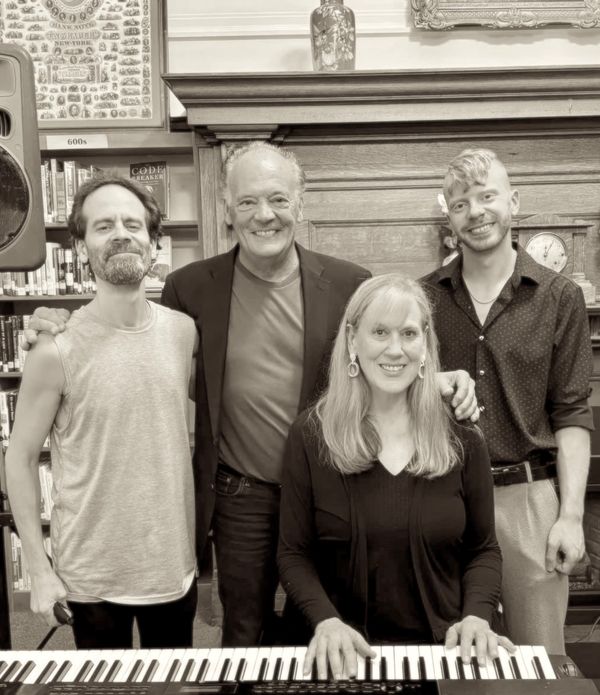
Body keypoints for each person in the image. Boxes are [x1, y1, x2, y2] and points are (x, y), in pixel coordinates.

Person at [24, 142, 478, 648]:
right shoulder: (188, 288)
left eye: (278, 199)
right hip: (242, 496)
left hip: (336, 484)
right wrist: (54, 321)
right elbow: (135, 344)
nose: (264, 214)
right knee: (243, 632)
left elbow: (380, 353)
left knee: (337, 620)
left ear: (299, 203)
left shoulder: (349, 282)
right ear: (227, 209)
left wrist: (432, 379)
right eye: (247, 202)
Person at [278, 274, 513, 680]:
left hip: (444, 651)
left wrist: (477, 616)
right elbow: (293, 554)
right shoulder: (310, 435)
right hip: (341, 654)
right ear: (352, 340)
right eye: (379, 332)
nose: (395, 349)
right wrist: (326, 622)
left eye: (408, 333)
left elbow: (484, 550)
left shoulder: (463, 439)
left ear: (425, 344)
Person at [6, 175, 198, 649]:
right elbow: (20, 458)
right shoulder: (55, 348)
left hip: (172, 569)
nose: (121, 234)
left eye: (132, 224)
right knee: (105, 685)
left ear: (153, 241)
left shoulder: (184, 332)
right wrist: (38, 568)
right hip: (90, 578)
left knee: (174, 682)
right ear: (80, 245)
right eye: (104, 225)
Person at [423, 148, 593, 655]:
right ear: (450, 219)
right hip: (441, 497)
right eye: (460, 204)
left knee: (538, 662)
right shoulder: (423, 298)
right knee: (448, 658)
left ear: (513, 202)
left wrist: (571, 516)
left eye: (486, 197)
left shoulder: (559, 297)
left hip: (528, 501)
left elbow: (571, 412)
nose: (474, 212)